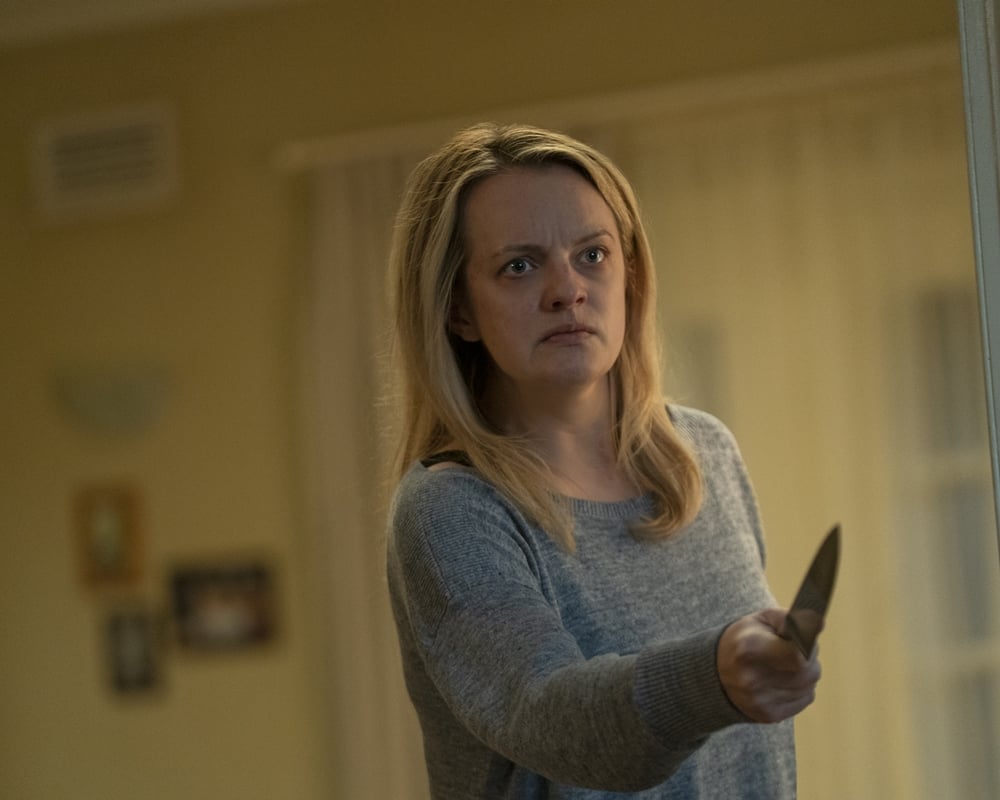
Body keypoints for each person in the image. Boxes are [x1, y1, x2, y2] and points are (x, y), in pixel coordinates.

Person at [384, 122, 821, 799]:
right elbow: (554, 720)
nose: (567, 289)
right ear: (458, 311)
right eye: (519, 266)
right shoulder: (450, 510)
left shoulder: (706, 452)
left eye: (592, 254)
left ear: (630, 273)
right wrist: (713, 676)